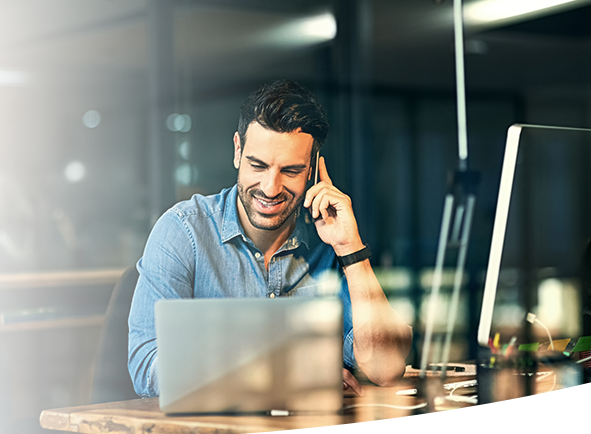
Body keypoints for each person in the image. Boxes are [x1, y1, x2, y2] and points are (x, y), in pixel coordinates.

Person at [127, 80, 412, 399]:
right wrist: (293, 374)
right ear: (238, 150)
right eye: (257, 165)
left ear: (314, 170)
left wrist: (350, 249)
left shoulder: (329, 243)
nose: (271, 188)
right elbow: (148, 369)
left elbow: (385, 369)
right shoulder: (184, 232)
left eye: (291, 171)